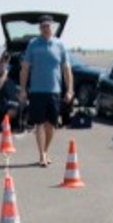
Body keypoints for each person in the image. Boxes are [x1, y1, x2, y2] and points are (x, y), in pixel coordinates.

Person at [17, 16, 72, 167]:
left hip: (54, 91)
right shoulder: (33, 45)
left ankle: (46, 150)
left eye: (48, 26)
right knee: (39, 124)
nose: (46, 29)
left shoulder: (60, 45)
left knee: (51, 125)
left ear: (52, 27)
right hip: (37, 91)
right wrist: (22, 89)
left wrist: (70, 90)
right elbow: (25, 68)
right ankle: (42, 154)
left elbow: (66, 69)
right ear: (39, 28)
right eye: (43, 26)